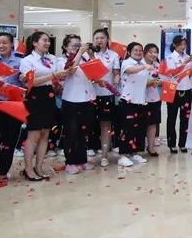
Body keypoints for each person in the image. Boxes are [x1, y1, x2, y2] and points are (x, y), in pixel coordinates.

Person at [17, 31, 63, 180]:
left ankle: (39, 167)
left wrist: (57, 80)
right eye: (44, 40)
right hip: (35, 96)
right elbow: (31, 82)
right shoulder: (28, 60)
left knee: (45, 134)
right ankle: (28, 169)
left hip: (49, 95)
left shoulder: (51, 58)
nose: (47, 43)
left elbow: (57, 76)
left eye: (48, 40)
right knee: (34, 134)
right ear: (35, 43)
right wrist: (54, 76)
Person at [0, 32, 24, 184]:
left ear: (12, 44)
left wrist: (24, 79)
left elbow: (25, 81)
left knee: (10, 138)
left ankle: (3, 171)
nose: (1, 46)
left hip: (14, 103)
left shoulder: (21, 59)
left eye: (4, 43)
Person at [57, 34, 95, 172]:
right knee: (71, 132)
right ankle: (70, 162)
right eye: (74, 46)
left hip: (87, 98)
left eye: (79, 45)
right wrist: (80, 52)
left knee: (83, 132)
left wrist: (91, 55)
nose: (78, 48)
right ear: (65, 47)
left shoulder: (84, 58)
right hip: (71, 100)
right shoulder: (61, 60)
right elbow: (70, 70)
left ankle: (82, 160)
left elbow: (96, 72)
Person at [116, 42, 149, 167]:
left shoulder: (142, 64)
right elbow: (131, 71)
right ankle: (123, 155)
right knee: (127, 129)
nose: (139, 52)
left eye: (140, 50)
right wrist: (144, 67)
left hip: (140, 101)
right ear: (129, 52)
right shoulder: (127, 63)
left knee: (139, 129)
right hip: (128, 101)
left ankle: (135, 152)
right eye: (136, 50)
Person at [89, 29, 120, 160]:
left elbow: (116, 73)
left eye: (102, 38)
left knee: (106, 124)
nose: (99, 40)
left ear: (107, 40)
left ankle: (104, 155)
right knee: (90, 123)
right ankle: (91, 147)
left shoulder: (113, 55)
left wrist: (116, 81)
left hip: (107, 94)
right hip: (89, 94)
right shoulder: (89, 54)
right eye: (96, 38)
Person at [165, 34, 192, 153]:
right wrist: (184, 63)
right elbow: (173, 74)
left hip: (187, 89)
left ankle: (182, 144)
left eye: (185, 44)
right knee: (172, 118)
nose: (183, 46)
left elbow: (190, 73)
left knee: (185, 118)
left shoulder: (188, 57)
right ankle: (172, 144)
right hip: (173, 89)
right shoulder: (170, 58)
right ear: (174, 45)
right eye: (181, 44)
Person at [143, 43, 162, 155]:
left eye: (155, 52)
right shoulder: (140, 65)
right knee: (140, 123)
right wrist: (149, 82)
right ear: (145, 52)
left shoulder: (158, 65)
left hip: (155, 98)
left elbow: (164, 79)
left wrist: (160, 82)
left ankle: (151, 147)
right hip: (141, 98)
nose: (153, 54)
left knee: (153, 123)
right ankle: (138, 148)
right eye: (150, 52)